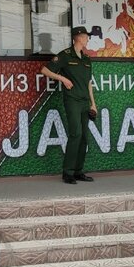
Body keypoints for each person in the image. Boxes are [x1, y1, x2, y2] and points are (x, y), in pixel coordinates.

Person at [41, 26, 98, 185]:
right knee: (76, 134)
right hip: (72, 100)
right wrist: (62, 79)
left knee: (84, 137)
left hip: (85, 102)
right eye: (86, 36)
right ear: (78, 37)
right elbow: (45, 70)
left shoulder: (86, 59)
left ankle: (78, 171)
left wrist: (93, 104)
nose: (87, 39)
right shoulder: (65, 55)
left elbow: (88, 83)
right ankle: (68, 173)